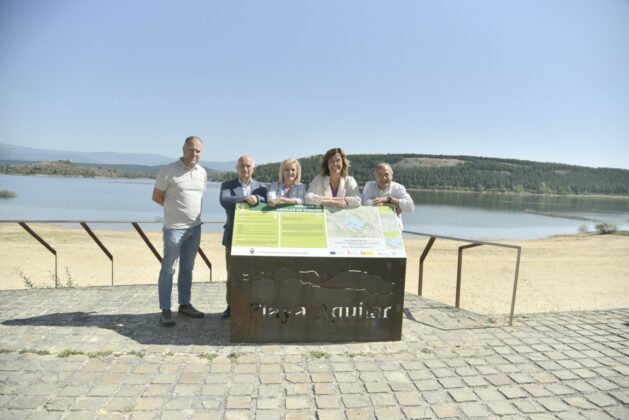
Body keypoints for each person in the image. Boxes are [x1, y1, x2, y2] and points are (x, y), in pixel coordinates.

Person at [152, 136, 207, 327]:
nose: (194, 153)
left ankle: (184, 304)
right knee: (168, 269)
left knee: (187, 269)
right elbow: (157, 196)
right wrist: (174, 212)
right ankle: (165, 310)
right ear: (183, 149)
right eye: (191, 149)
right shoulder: (168, 170)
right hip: (174, 229)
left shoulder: (202, 173)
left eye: (198, 150)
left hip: (195, 228)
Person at [219, 155, 267, 319]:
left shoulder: (262, 187)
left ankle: (254, 305)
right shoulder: (227, 185)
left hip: (256, 238)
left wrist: (258, 198)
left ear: (253, 168)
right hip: (234, 237)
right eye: (242, 166)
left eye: (248, 166)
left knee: (256, 274)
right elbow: (225, 200)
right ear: (237, 168)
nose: (245, 169)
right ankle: (231, 307)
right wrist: (247, 198)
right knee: (233, 275)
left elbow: (268, 200)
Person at [362, 162, 415, 229]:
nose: (383, 178)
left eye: (386, 174)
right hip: (373, 227)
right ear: (375, 176)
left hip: (394, 228)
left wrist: (389, 199)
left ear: (391, 175)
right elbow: (365, 203)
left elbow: (410, 207)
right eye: (380, 175)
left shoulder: (398, 188)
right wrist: (392, 206)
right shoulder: (369, 185)